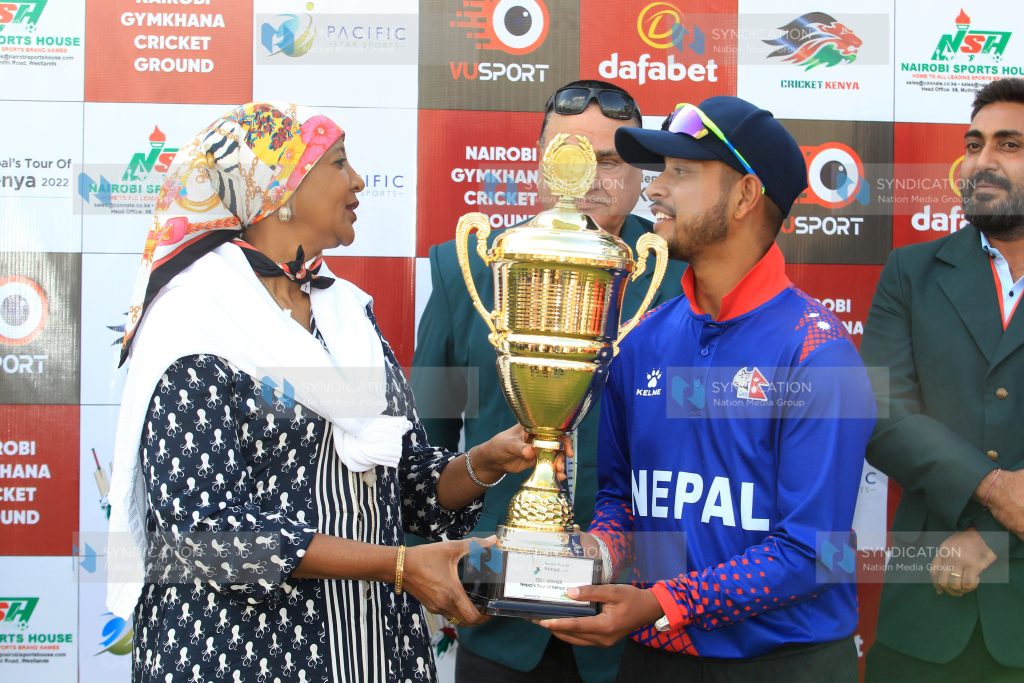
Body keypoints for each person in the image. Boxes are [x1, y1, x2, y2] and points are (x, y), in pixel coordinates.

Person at [105, 102, 548, 683]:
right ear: (279, 189)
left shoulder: (346, 312)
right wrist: (397, 566)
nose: (359, 180)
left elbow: (398, 481)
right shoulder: (195, 321)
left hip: (371, 651)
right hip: (244, 658)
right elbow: (205, 533)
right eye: (339, 163)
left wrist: (483, 463)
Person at [537, 96, 876, 682]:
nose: (654, 190)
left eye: (681, 173)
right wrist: (594, 558)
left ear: (745, 196)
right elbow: (622, 503)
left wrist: (664, 602)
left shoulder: (816, 355)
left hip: (780, 666)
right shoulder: (640, 340)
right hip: (651, 659)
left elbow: (811, 553)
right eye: (659, 171)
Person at [411, 80, 686, 682]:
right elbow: (425, 450)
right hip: (497, 619)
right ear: (538, 161)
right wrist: (438, 570)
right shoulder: (470, 273)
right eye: (567, 153)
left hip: (642, 624)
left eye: (610, 160)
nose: (587, 175)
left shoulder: (686, 286)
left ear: (643, 174)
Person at [861, 78, 1024, 682]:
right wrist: (991, 488)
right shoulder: (912, 271)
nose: (982, 161)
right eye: (975, 143)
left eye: (1009, 145)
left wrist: (996, 540)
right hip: (925, 620)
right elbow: (881, 413)